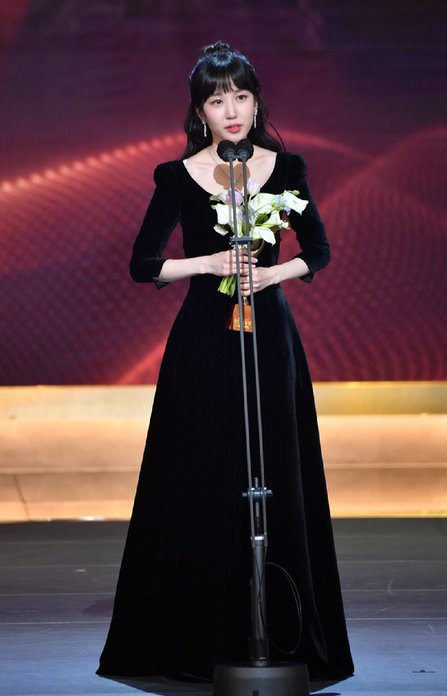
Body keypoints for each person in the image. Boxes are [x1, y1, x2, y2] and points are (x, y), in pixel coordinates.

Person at [97, 41, 354, 682]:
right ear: (199, 112)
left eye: (240, 96)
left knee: (276, 468)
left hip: (268, 333)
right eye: (217, 101)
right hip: (204, 341)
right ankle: (196, 635)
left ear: (256, 102)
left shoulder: (285, 167)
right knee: (202, 469)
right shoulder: (176, 176)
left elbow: (318, 250)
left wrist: (271, 276)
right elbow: (144, 265)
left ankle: (280, 630)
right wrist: (209, 263)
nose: (231, 111)